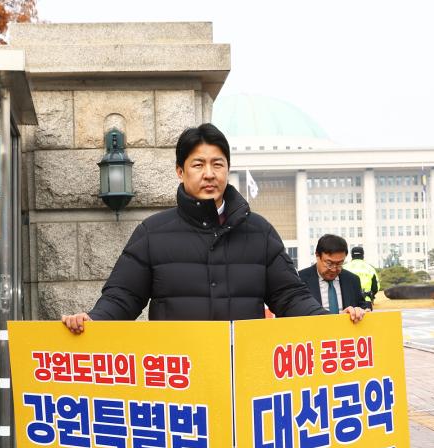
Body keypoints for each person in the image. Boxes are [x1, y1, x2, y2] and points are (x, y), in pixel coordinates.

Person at [61, 124, 366, 332]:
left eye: (217, 164)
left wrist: (331, 323)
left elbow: (291, 297)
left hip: (242, 375)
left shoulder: (259, 232)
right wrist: (93, 321)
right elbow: (122, 299)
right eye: (198, 165)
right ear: (180, 171)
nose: (209, 174)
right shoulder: (152, 233)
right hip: (179, 379)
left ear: (227, 169)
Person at [298, 235, 372, 314]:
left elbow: (361, 304)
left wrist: (363, 310)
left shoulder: (352, 280)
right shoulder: (300, 280)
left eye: (339, 264)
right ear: (317, 255)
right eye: (329, 263)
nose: (334, 269)